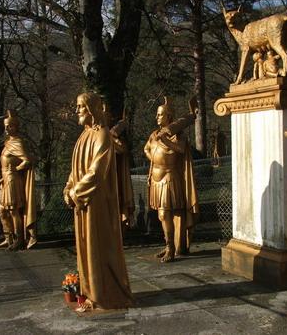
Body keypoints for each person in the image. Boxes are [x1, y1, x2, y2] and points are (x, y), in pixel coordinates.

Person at [63, 92, 133, 311]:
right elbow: (76, 170)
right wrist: (68, 187)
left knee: (97, 246)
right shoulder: (83, 136)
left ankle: (103, 295)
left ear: (92, 109)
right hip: (83, 202)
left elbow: (96, 172)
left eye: (80, 107)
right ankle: (89, 291)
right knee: (85, 246)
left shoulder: (102, 136)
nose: (77, 111)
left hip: (97, 204)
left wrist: (75, 192)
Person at [144, 97, 199, 263]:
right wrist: (154, 157)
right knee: (163, 215)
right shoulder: (154, 134)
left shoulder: (177, 135)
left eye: (161, 115)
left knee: (166, 214)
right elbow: (146, 148)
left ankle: (171, 247)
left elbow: (181, 149)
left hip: (170, 178)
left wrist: (165, 141)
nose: (157, 117)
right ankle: (169, 244)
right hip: (156, 178)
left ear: (169, 117)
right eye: (157, 115)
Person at [0, 110, 36, 250]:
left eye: (9, 126)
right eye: (5, 126)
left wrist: (15, 170)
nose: (6, 129)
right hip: (6, 179)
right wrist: (3, 177)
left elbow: (27, 161)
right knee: (2, 211)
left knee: (14, 211)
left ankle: (19, 240)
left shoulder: (17, 143)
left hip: (12, 180)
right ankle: (8, 237)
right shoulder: (8, 143)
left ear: (15, 126)